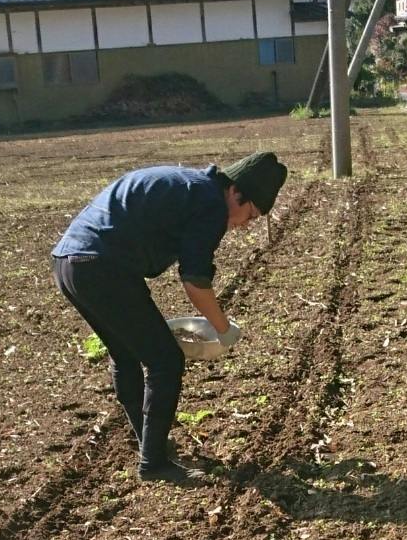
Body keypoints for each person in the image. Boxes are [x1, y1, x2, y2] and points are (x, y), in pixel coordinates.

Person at [51, 151, 287, 484]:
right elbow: (195, 280)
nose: (243, 225)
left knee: (127, 355)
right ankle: (155, 463)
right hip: (102, 266)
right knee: (166, 361)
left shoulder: (191, 186)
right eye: (249, 214)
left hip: (68, 261)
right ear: (236, 192)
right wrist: (223, 331)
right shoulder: (211, 204)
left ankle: (149, 445)